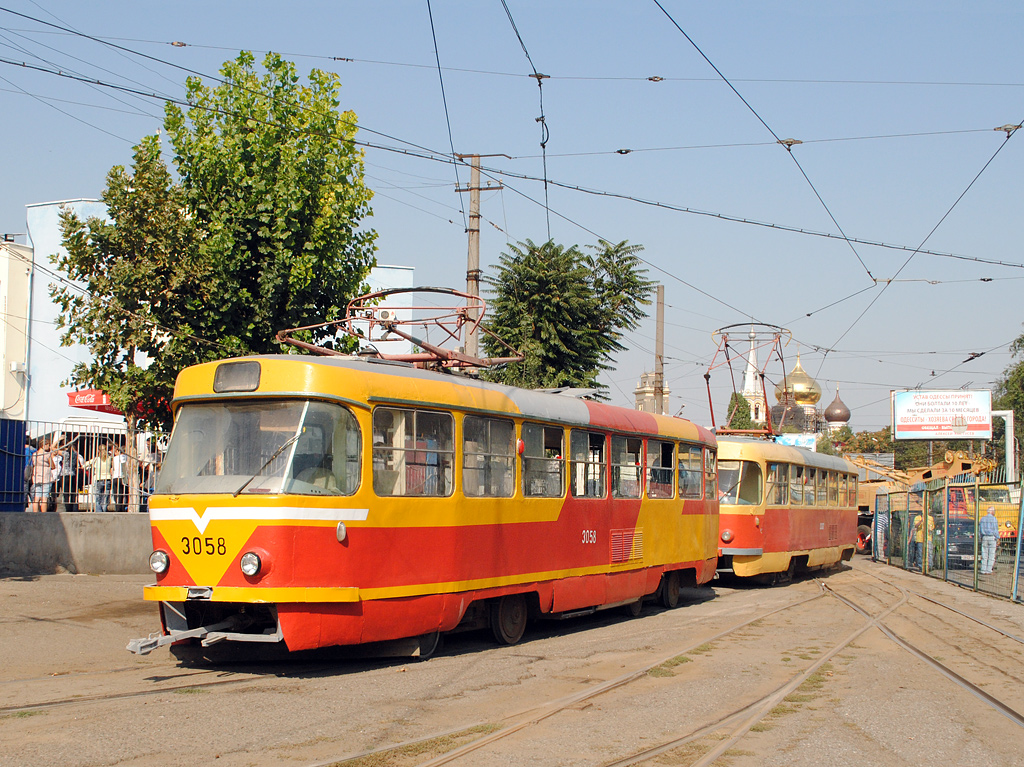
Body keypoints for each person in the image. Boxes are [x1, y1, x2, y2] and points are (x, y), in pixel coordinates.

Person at [28, 438, 56, 513]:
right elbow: (53, 466)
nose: (49, 447)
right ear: (44, 445)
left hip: (37, 476)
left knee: (36, 498)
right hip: (46, 476)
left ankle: (35, 513)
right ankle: (43, 514)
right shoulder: (47, 455)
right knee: (44, 498)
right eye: (48, 445)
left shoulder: (34, 454)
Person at [85, 441, 114, 512]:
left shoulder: (96, 459)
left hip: (98, 479)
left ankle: (99, 511)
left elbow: (85, 464)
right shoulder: (110, 458)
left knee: (98, 497)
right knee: (105, 497)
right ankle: (104, 510)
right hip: (107, 479)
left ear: (98, 451)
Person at [980, 506, 1000, 574]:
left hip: (984, 537)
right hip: (992, 537)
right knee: (991, 554)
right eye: (994, 511)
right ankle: (989, 570)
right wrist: (997, 538)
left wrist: (981, 537)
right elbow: (995, 529)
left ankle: (983, 569)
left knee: (984, 554)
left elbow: (980, 529)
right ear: (992, 512)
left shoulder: (982, 519)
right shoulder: (994, 519)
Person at [111, 443, 129, 512]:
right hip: (123, 477)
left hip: (115, 477)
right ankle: (123, 508)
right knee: (124, 494)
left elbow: (112, 469)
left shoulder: (114, 458)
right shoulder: (126, 458)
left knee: (117, 494)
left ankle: (117, 508)